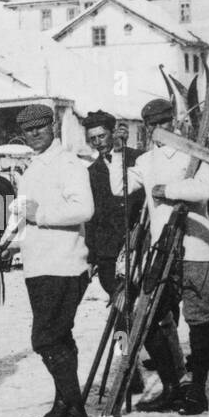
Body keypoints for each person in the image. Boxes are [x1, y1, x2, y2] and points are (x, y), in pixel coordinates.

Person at [0, 103, 95, 417]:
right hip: (39, 267)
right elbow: (21, 221)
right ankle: (63, 409)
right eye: (27, 130)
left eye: (39, 127)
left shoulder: (69, 163)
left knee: (46, 338)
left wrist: (40, 214)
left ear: (52, 127)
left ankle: (75, 413)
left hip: (63, 265)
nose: (34, 134)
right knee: (58, 338)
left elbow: (84, 209)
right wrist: (6, 246)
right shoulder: (31, 169)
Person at [108, 97, 209, 414]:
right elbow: (119, 186)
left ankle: (197, 390)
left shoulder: (194, 152)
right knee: (151, 317)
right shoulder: (146, 160)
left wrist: (166, 190)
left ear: (174, 122)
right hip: (162, 252)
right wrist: (117, 151)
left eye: (163, 123)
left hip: (196, 248)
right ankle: (172, 385)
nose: (158, 130)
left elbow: (204, 190)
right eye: (152, 125)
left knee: (198, 320)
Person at [81, 110, 144, 296]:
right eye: (92, 139)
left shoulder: (137, 159)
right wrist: (92, 257)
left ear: (113, 133)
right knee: (118, 301)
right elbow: (92, 218)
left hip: (139, 244)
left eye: (101, 136)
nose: (97, 142)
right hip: (108, 250)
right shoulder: (91, 173)